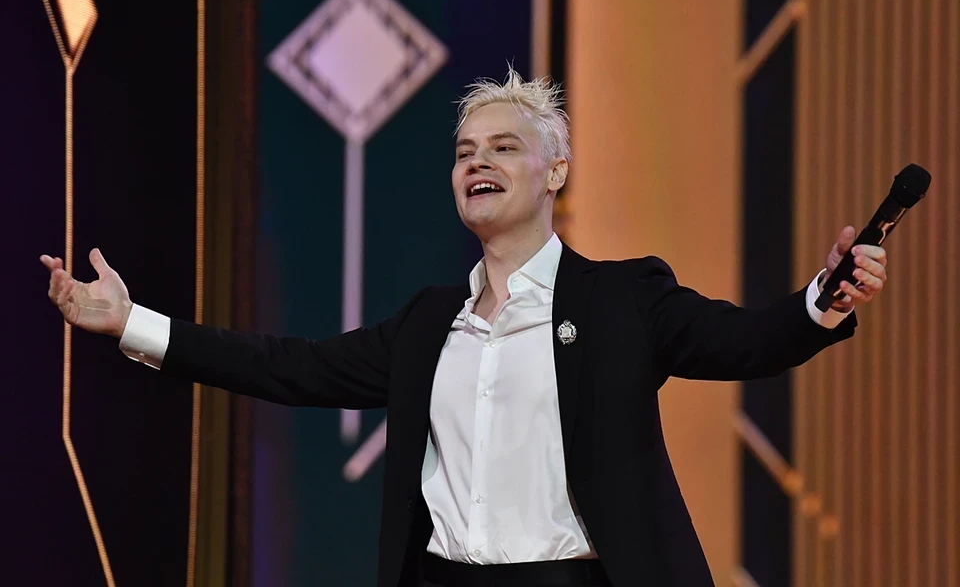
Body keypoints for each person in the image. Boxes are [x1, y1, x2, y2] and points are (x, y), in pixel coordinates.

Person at [41, 68, 888, 587]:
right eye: (463, 151)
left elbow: (747, 341)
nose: (477, 160)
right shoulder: (426, 325)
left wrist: (824, 297)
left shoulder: (624, 302)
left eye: (504, 147)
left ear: (555, 171)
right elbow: (285, 366)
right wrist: (130, 322)